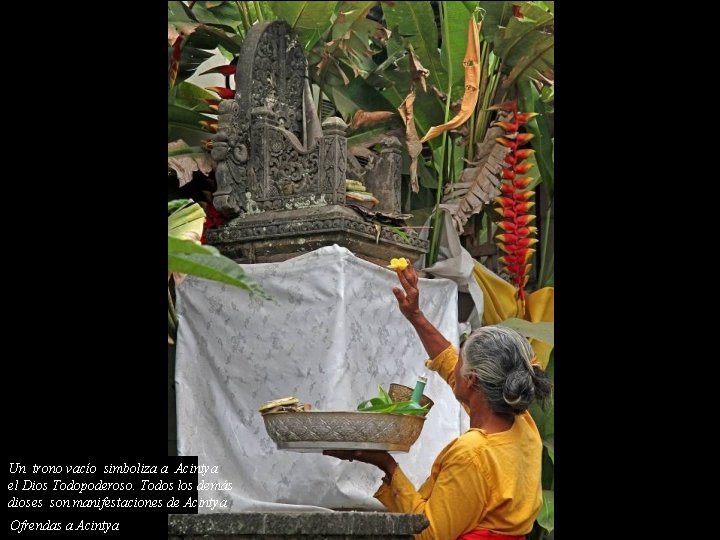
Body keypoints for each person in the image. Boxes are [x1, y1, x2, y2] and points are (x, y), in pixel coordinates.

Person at [324, 265, 552, 540]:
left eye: (461, 361)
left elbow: (429, 534)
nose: (453, 366)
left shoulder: (473, 452)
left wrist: (387, 464)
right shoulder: (521, 423)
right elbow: (447, 361)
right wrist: (415, 315)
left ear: (473, 381)